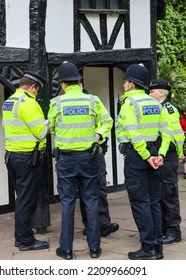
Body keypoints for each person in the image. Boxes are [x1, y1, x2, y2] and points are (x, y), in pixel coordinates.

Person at [48, 61, 113, 260]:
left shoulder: (56, 103)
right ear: (79, 82)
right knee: (91, 201)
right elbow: (107, 121)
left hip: (66, 160)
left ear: (63, 84)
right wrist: (98, 136)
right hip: (89, 158)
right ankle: (94, 248)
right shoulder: (93, 101)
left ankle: (66, 250)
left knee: (67, 203)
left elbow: (51, 128)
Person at [115, 64, 170, 260]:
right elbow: (166, 132)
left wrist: (146, 157)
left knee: (140, 202)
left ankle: (147, 248)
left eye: (125, 81)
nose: (123, 85)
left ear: (132, 84)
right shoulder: (156, 103)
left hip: (138, 156)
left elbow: (134, 134)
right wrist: (159, 155)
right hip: (155, 152)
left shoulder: (128, 104)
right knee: (154, 202)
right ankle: (158, 248)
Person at [2, 71, 50, 252]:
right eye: (37, 90)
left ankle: (20, 236)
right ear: (33, 87)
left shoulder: (9, 101)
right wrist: (49, 123)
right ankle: (25, 240)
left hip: (12, 156)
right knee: (27, 200)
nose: (37, 94)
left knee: (21, 198)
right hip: (27, 158)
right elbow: (41, 132)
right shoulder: (29, 103)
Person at [79, 87, 119, 238]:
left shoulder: (91, 101)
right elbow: (106, 122)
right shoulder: (92, 101)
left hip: (88, 153)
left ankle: (94, 225)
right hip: (93, 153)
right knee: (96, 188)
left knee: (88, 189)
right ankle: (98, 225)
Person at [149, 79, 185, 245]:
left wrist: (173, 152)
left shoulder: (167, 109)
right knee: (161, 192)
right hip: (166, 153)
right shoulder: (160, 107)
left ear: (161, 93)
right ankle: (164, 228)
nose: (150, 95)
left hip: (168, 154)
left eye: (152, 92)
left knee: (169, 193)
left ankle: (173, 230)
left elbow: (169, 134)